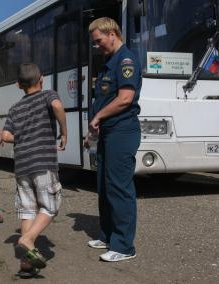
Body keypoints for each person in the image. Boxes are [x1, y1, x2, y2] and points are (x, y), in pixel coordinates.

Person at [1, 63, 67, 277]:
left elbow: (5, 136)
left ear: (19, 84)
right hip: (43, 162)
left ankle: (26, 265)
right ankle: (27, 240)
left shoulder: (14, 108)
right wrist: (64, 132)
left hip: (22, 165)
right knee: (51, 205)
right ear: (42, 78)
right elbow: (57, 107)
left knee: (27, 210)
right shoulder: (48, 94)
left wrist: (22, 136)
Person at [85, 17, 141, 262]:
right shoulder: (109, 61)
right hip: (108, 131)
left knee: (119, 188)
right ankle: (108, 236)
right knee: (104, 186)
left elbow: (125, 98)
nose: (97, 46)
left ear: (112, 34)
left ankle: (124, 246)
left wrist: (98, 116)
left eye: (99, 41)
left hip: (122, 130)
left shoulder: (126, 60)